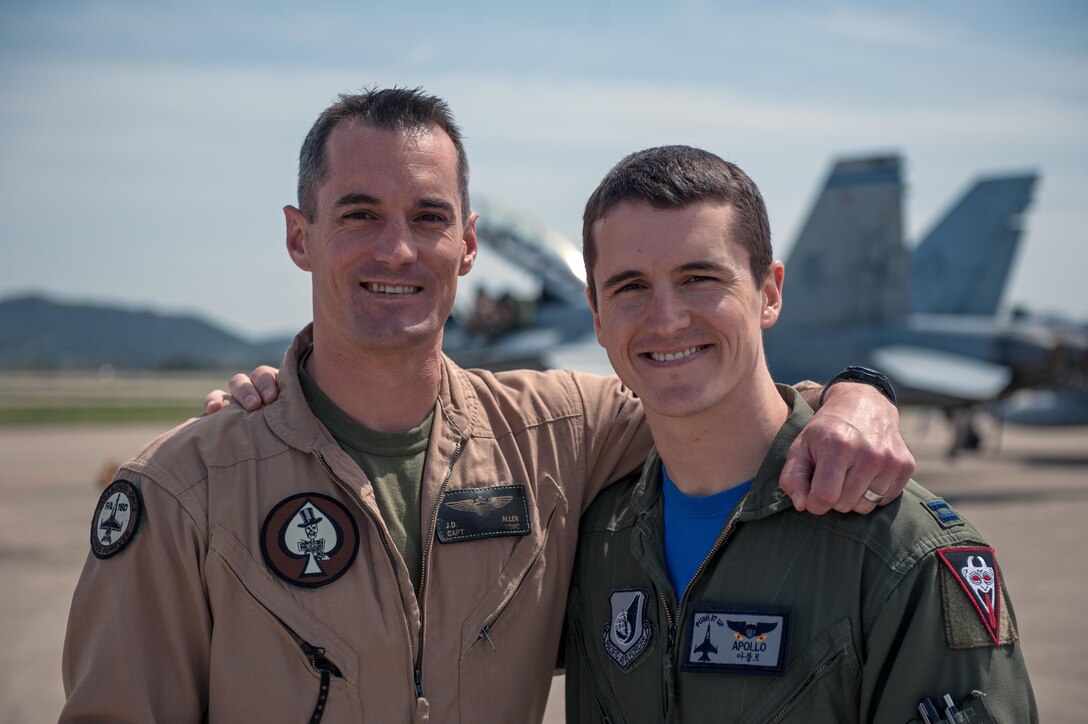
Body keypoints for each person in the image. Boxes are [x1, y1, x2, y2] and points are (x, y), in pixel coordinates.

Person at [61, 88, 911, 723]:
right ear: (298, 236)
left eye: (428, 217)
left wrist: (857, 396)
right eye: (359, 215)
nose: (398, 247)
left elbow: (720, 401)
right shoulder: (184, 490)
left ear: (466, 244)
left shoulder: (559, 435)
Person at [563, 145, 1036, 722]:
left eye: (700, 278)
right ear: (596, 311)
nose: (666, 319)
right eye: (630, 286)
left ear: (769, 293)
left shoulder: (901, 553)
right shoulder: (594, 540)